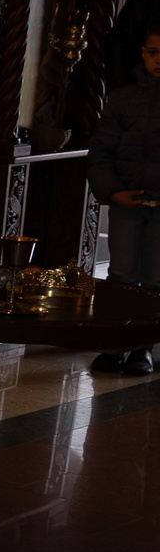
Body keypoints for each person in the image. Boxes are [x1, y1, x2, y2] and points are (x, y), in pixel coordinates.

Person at [91, 28, 160, 372]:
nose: (159, 60)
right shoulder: (122, 99)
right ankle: (114, 344)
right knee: (120, 275)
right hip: (127, 204)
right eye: (153, 52)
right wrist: (113, 191)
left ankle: (141, 348)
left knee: (155, 280)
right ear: (143, 53)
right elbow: (101, 151)